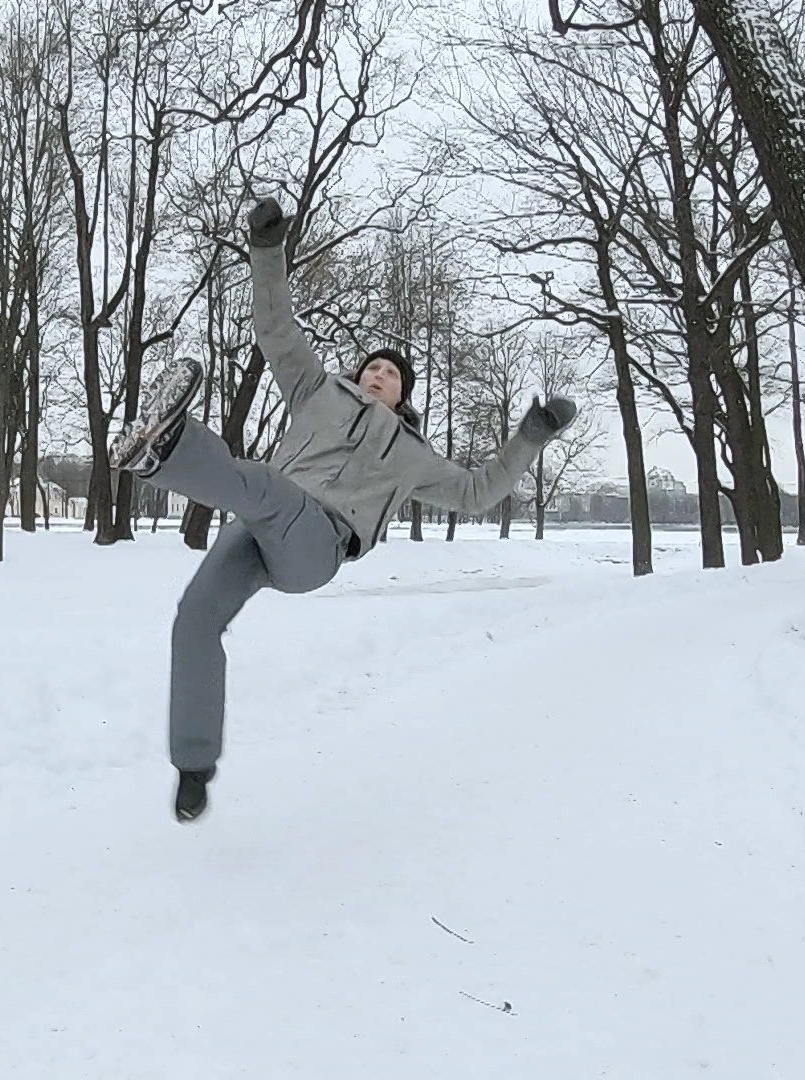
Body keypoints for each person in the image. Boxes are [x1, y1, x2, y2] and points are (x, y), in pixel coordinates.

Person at [111, 196, 578, 823]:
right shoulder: (315, 389)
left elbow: (478, 491)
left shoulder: (413, 455)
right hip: (257, 523)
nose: (378, 373)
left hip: (317, 546)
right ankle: (194, 766)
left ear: (403, 394)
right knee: (194, 616)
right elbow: (277, 328)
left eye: (391, 372)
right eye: (372, 366)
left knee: (266, 487)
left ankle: (164, 454)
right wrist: (267, 250)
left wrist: (532, 435)